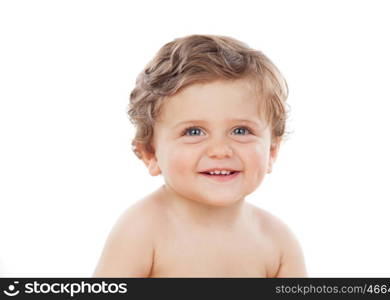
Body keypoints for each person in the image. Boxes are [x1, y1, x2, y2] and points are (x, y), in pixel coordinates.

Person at [93, 34, 307, 277]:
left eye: (241, 130)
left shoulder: (278, 242)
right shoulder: (142, 231)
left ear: (271, 151)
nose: (220, 150)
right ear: (150, 153)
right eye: (193, 132)